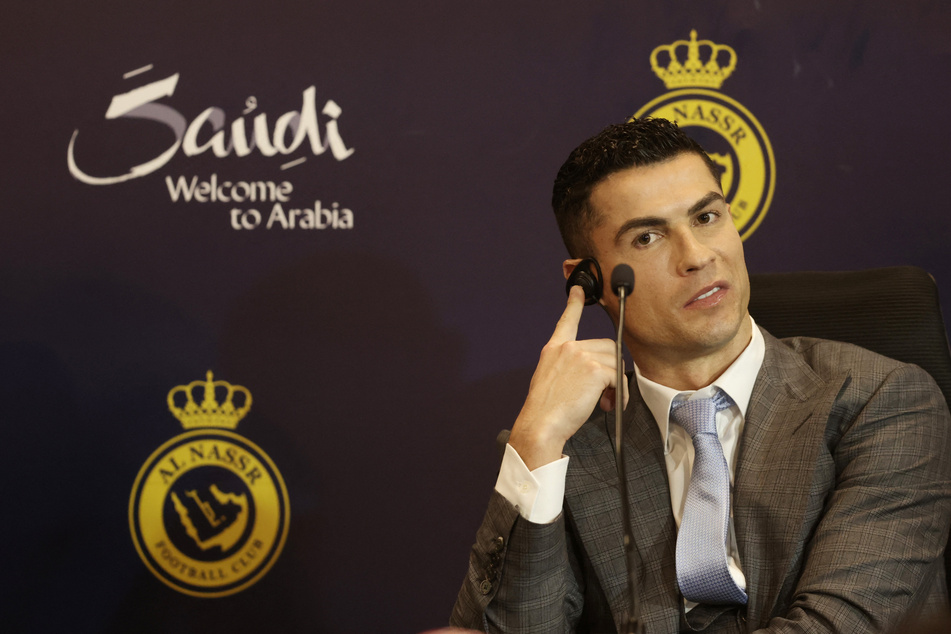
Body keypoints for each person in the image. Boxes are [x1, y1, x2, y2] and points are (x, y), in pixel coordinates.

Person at [450, 118, 951, 633]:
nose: (697, 256)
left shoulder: (881, 401)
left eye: (707, 217)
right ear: (589, 279)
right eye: (647, 237)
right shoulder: (566, 452)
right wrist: (535, 439)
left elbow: (838, 626)